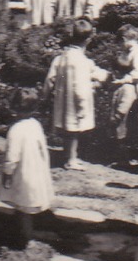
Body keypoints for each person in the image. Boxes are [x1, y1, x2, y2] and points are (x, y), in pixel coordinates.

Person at [45, 18, 108, 171]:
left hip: (62, 101)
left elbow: (50, 79)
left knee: (68, 132)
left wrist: (46, 95)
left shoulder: (61, 58)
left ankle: (69, 156)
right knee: (73, 131)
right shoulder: (81, 61)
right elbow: (81, 87)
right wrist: (81, 106)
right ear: (88, 40)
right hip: (75, 102)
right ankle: (71, 160)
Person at [0, 87, 52, 246]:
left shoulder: (15, 130)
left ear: (13, 108)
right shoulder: (35, 124)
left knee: (23, 209)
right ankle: (25, 232)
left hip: (23, 173)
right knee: (27, 204)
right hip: (36, 170)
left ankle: (26, 238)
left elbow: (12, 156)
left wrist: (8, 173)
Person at [110, 25, 138, 147]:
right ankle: (124, 151)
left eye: (120, 43)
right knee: (127, 123)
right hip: (131, 91)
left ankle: (126, 153)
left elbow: (136, 75)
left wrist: (122, 81)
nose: (120, 47)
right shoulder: (129, 52)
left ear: (124, 39)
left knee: (129, 123)